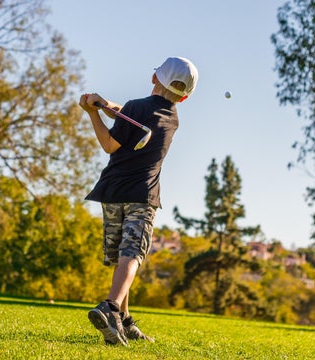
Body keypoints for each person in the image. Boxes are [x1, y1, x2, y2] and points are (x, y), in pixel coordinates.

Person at [78, 57, 198, 346]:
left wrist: (91, 113)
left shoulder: (136, 108)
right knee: (132, 253)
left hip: (113, 192)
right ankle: (113, 308)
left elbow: (109, 144)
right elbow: (128, 116)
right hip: (142, 196)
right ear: (183, 97)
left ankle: (118, 314)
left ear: (154, 78)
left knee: (123, 255)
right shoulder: (172, 118)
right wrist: (105, 105)